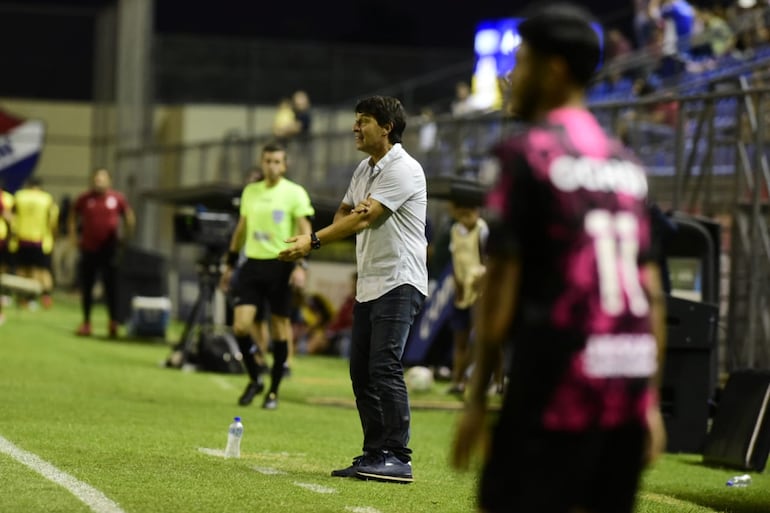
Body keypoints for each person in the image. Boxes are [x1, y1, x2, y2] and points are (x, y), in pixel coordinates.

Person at [450, 5, 668, 513]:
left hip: (556, 385)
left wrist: (478, 397)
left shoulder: (527, 155)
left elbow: (501, 286)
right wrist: (651, 401)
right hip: (625, 392)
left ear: (553, 71)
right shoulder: (626, 164)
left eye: (521, 63)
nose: (511, 77)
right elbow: (652, 293)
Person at [279, 95, 428, 484]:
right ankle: (375, 453)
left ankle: (399, 457)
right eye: (356, 120)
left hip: (400, 279)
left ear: (386, 127)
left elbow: (365, 217)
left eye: (363, 121)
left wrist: (311, 241)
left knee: (384, 365)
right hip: (370, 282)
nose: (354, 128)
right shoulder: (364, 168)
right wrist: (353, 218)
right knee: (360, 372)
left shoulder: (406, 169)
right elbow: (346, 213)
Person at [219, 142, 314, 410]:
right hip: (251, 265)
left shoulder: (295, 193)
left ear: (284, 165)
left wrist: (300, 266)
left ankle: (273, 391)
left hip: (281, 265)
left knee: (279, 329)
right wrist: (229, 264)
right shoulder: (251, 191)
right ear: (262, 163)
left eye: (276, 161)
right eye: (267, 161)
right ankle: (254, 377)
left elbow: (305, 229)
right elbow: (241, 228)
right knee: (240, 326)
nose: (271, 166)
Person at [69, 168, 135, 338]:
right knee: (87, 286)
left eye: (102, 178)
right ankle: (86, 322)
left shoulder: (117, 198)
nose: (98, 181)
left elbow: (128, 217)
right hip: (89, 249)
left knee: (111, 287)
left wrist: (126, 237)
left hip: (109, 250)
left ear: (109, 181)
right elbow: (72, 216)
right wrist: (74, 237)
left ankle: (113, 322)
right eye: (96, 178)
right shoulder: (85, 198)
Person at [446, 200, 489, 396]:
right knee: (460, 339)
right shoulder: (455, 230)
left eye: (470, 213)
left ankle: (482, 381)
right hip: (462, 291)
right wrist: (457, 284)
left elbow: (487, 260)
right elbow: (456, 260)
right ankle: (458, 381)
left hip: (479, 291)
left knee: (479, 339)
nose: (466, 218)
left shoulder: (483, 231)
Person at [12, 177, 58, 308]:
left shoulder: (19, 196)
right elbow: (53, 220)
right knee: (41, 270)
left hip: (21, 238)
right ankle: (45, 296)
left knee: (22, 270)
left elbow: (12, 216)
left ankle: (23, 298)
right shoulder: (47, 198)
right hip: (41, 240)